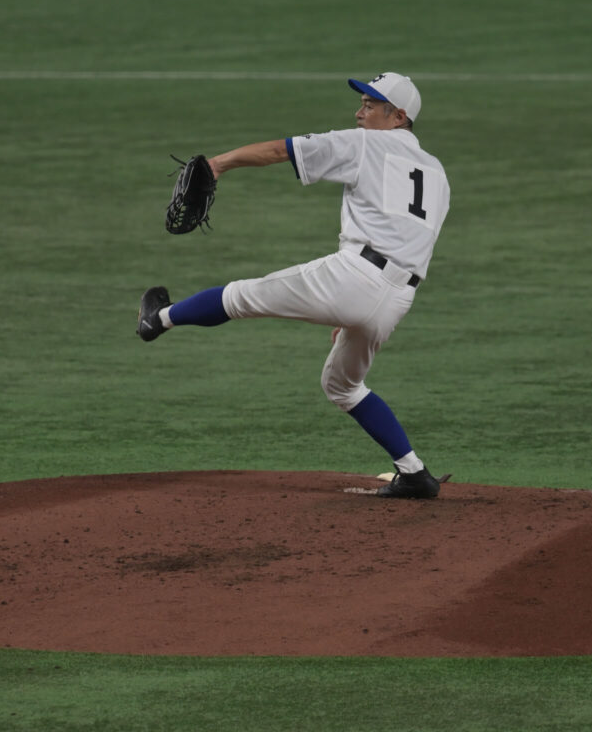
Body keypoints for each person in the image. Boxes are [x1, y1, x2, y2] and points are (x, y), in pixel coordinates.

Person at [137, 72, 450, 498]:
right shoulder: (436, 173)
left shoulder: (365, 143)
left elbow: (280, 150)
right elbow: (414, 238)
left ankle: (158, 319)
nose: (359, 112)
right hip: (398, 295)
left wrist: (218, 164)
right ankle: (415, 474)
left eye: (370, 106)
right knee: (342, 385)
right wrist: (356, 309)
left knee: (243, 296)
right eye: (361, 103)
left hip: (356, 277)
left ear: (398, 117)